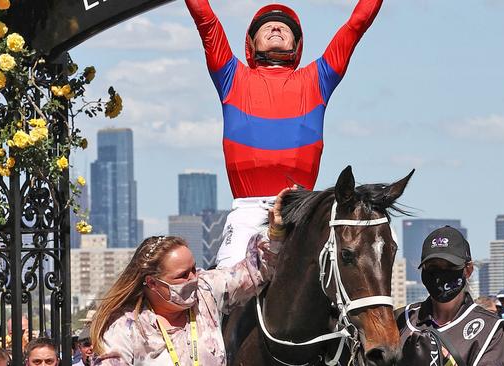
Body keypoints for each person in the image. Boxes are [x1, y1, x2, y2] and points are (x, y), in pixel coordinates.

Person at [184, 0, 384, 267]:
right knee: (226, 287)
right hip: (248, 214)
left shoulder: (318, 78)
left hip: (301, 211)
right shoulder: (231, 76)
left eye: (286, 27)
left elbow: (356, 25)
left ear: (296, 45)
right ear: (252, 43)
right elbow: (205, 19)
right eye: (266, 26)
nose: (276, 26)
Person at [90, 188, 290, 365]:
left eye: (194, 269)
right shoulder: (125, 330)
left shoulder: (205, 291)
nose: (193, 278)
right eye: (182, 276)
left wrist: (276, 232)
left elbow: (253, 272)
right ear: (152, 283)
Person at [396, 226, 504, 366]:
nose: (439, 275)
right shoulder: (402, 320)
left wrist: (447, 363)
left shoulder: (491, 330)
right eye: (432, 266)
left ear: (468, 270)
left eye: (449, 266)